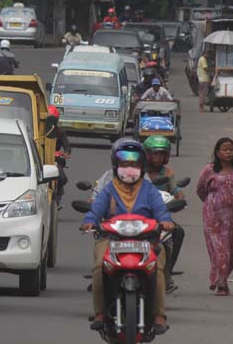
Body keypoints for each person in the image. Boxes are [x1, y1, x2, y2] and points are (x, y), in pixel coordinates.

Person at [81, 138, 174, 334]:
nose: (129, 168)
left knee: (157, 268)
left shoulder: (150, 190)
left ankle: (158, 315)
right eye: (124, 164)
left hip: (146, 240)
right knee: (99, 267)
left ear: (142, 166)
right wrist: (89, 221)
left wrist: (166, 221)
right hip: (111, 239)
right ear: (116, 166)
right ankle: (99, 313)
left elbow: (161, 211)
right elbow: (96, 210)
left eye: (134, 164)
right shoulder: (108, 189)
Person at [196, 137, 233, 296]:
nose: (228, 152)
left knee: (232, 251)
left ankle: (222, 277)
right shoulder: (209, 170)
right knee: (220, 250)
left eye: (231, 149)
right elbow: (201, 189)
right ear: (217, 153)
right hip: (214, 217)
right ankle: (221, 283)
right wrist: (213, 203)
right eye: (225, 149)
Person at [143, 136, 185, 294]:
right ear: (146, 154)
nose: (158, 157)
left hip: (160, 216)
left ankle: (167, 273)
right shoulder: (139, 170)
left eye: (161, 154)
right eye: (154, 154)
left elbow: (175, 189)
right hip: (138, 214)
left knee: (178, 233)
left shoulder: (167, 172)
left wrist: (181, 199)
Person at [47, 105, 71, 208]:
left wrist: (66, 153)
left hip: (55, 159)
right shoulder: (37, 130)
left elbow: (67, 145)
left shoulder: (60, 132)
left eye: (53, 120)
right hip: (41, 159)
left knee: (62, 178)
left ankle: (58, 198)